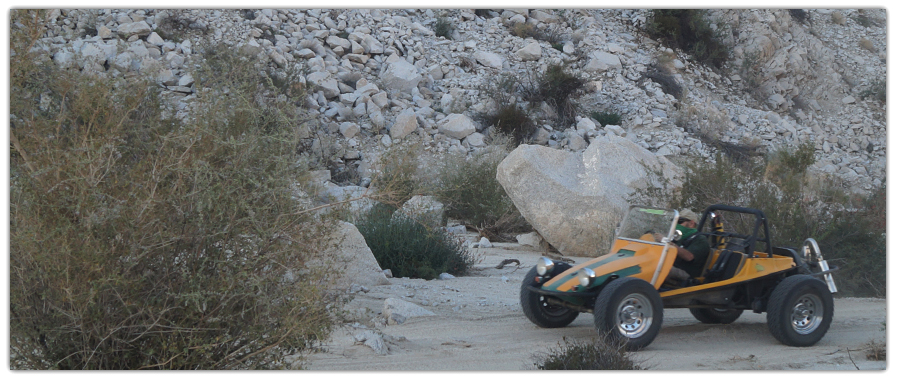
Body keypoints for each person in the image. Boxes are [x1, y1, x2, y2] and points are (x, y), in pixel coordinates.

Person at [665, 209, 710, 286]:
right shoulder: (678, 238)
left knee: (659, 268)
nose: (676, 224)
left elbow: (689, 257)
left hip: (687, 276)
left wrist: (670, 244)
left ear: (691, 223)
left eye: (679, 222)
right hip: (673, 267)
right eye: (675, 222)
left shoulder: (700, 239)